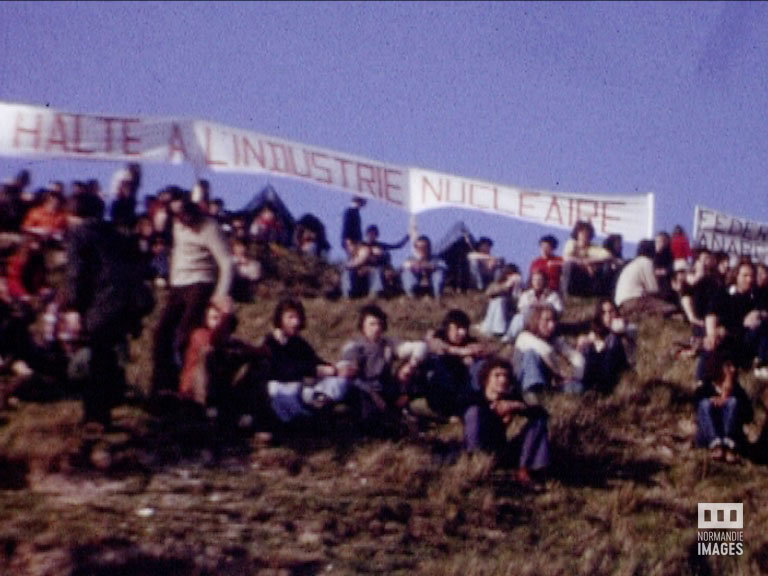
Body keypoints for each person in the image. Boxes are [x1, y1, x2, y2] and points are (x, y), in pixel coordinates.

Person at [59, 190, 147, 428]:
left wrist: (73, 307)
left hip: (101, 302)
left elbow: (76, 272)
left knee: (96, 357)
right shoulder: (115, 234)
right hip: (125, 303)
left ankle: (95, 416)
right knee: (108, 355)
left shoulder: (79, 233)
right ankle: (108, 406)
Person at [151, 189, 233, 400]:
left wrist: (220, 293)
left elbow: (226, 262)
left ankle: (186, 386)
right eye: (178, 215)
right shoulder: (176, 225)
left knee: (184, 334)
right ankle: (162, 386)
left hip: (200, 283)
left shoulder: (209, 227)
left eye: (186, 214)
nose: (184, 220)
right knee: (161, 333)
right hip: (179, 284)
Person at [264, 298, 355, 425]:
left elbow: (315, 360)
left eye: (298, 317)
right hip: (284, 389)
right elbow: (280, 370)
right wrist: (313, 371)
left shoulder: (299, 342)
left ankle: (321, 401)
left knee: (341, 381)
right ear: (280, 319)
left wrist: (335, 369)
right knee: (282, 390)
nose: (295, 322)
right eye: (290, 317)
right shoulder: (271, 342)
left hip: (305, 387)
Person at [463, 357, 550, 489]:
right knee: (473, 413)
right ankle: (475, 466)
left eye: (506, 376)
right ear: (486, 379)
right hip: (480, 451)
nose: (503, 380)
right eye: (497, 376)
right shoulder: (474, 397)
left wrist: (517, 406)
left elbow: (542, 413)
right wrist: (493, 411)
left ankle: (526, 470)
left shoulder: (510, 397)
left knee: (538, 422)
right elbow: (463, 408)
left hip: (501, 450)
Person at [340, 304, 427, 424]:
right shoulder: (354, 347)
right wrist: (373, 394)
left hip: (386, 388)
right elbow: (348, 375)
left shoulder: (388, 343)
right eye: (372, 324)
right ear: (362, 326)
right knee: (373, 419)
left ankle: (403, 409)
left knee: (420, 372)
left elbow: (420, 346)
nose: (376, 328)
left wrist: (411, 365)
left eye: (379, 324)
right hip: (364, 391)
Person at [694, 343, 753, 463]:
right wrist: (713, 401)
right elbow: (698, 410)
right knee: (705, 404)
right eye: (728, 365)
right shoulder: (705, 389)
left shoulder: (737, 390)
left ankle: (728, 446)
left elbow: (749, 416)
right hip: (708, 436)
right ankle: (716, 445)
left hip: (733, 439)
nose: (733, 369)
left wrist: (729, 394)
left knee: (732, 402)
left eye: (734, 365)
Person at [513, 303, 585, 398]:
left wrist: (576, 375)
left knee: (578, 387)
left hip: (545, 383)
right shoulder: (524, 337)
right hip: (521, 383)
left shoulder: (554, 340)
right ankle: (531, 392)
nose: (551, 325)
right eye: (547, 320)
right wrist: (559, 374)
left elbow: (575, 356)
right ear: (536, 320)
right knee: (531, 354)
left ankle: (543, 391)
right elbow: (546, 351)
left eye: (553, 321)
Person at [577, 299, 634, 393]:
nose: (608, 316)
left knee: (613, 339)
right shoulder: (596, 333)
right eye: (604, 313)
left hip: (619, 368)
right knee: (586, 346)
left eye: (611, 311)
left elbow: (621, 330)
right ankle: (587, 384)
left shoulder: (628, 328)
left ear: (616, 312)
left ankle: (605, 385)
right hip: (600, 368)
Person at [560, 220, 615, 297]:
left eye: (587, 233)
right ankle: (567, 293)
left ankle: (601, 294)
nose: (585, 235)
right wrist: (584, 264)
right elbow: (567, 257)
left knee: (607, 266)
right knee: (568, 265)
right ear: (577, 234)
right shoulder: (572, 243)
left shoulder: (593, 247)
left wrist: (590, 261)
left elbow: (608, 256)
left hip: (588, 277)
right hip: (575, 275)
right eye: (582, 233)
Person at [401, 235, 446, 300]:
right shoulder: (410, 258)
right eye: (419, 247)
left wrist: (432, 266)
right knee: (406, 273)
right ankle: (411, 296)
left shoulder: (435, 258)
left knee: (439, 272)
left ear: (429, 247)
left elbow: (443, 266)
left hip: (432, 284)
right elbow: (403, 266)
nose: (422, 250)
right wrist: (412, 265)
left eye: (424, 247)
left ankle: (437, 297)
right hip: (416, 283)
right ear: (415, 248)